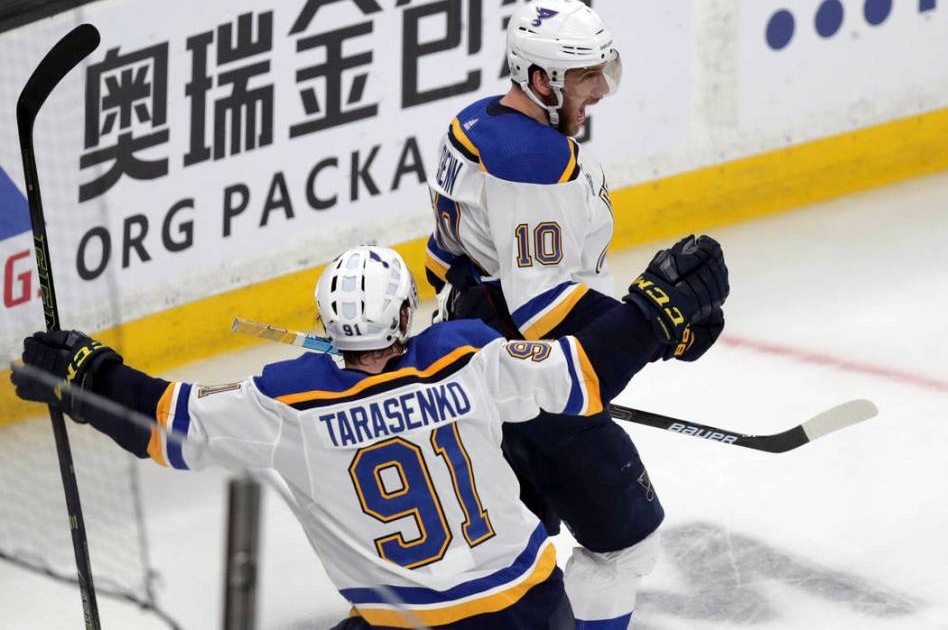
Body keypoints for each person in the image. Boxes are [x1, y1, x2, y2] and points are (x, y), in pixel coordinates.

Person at [12, 238, 726, 629]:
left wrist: (89, 377)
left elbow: (167, 423)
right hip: (535, 617)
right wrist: (651, 313)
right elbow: (585, 372)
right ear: (405, 317)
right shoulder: (467, 353)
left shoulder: (284, 402)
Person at [423, 0, 729, 627]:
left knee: (489, 559)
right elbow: (541, 309)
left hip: (476, 370)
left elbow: (442, 260)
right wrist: (652, 328)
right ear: (541, 79)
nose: (599, 90)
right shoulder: (535, 160)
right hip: (537, 388)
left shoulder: (474, 126)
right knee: (623, 546)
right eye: (586, 75)